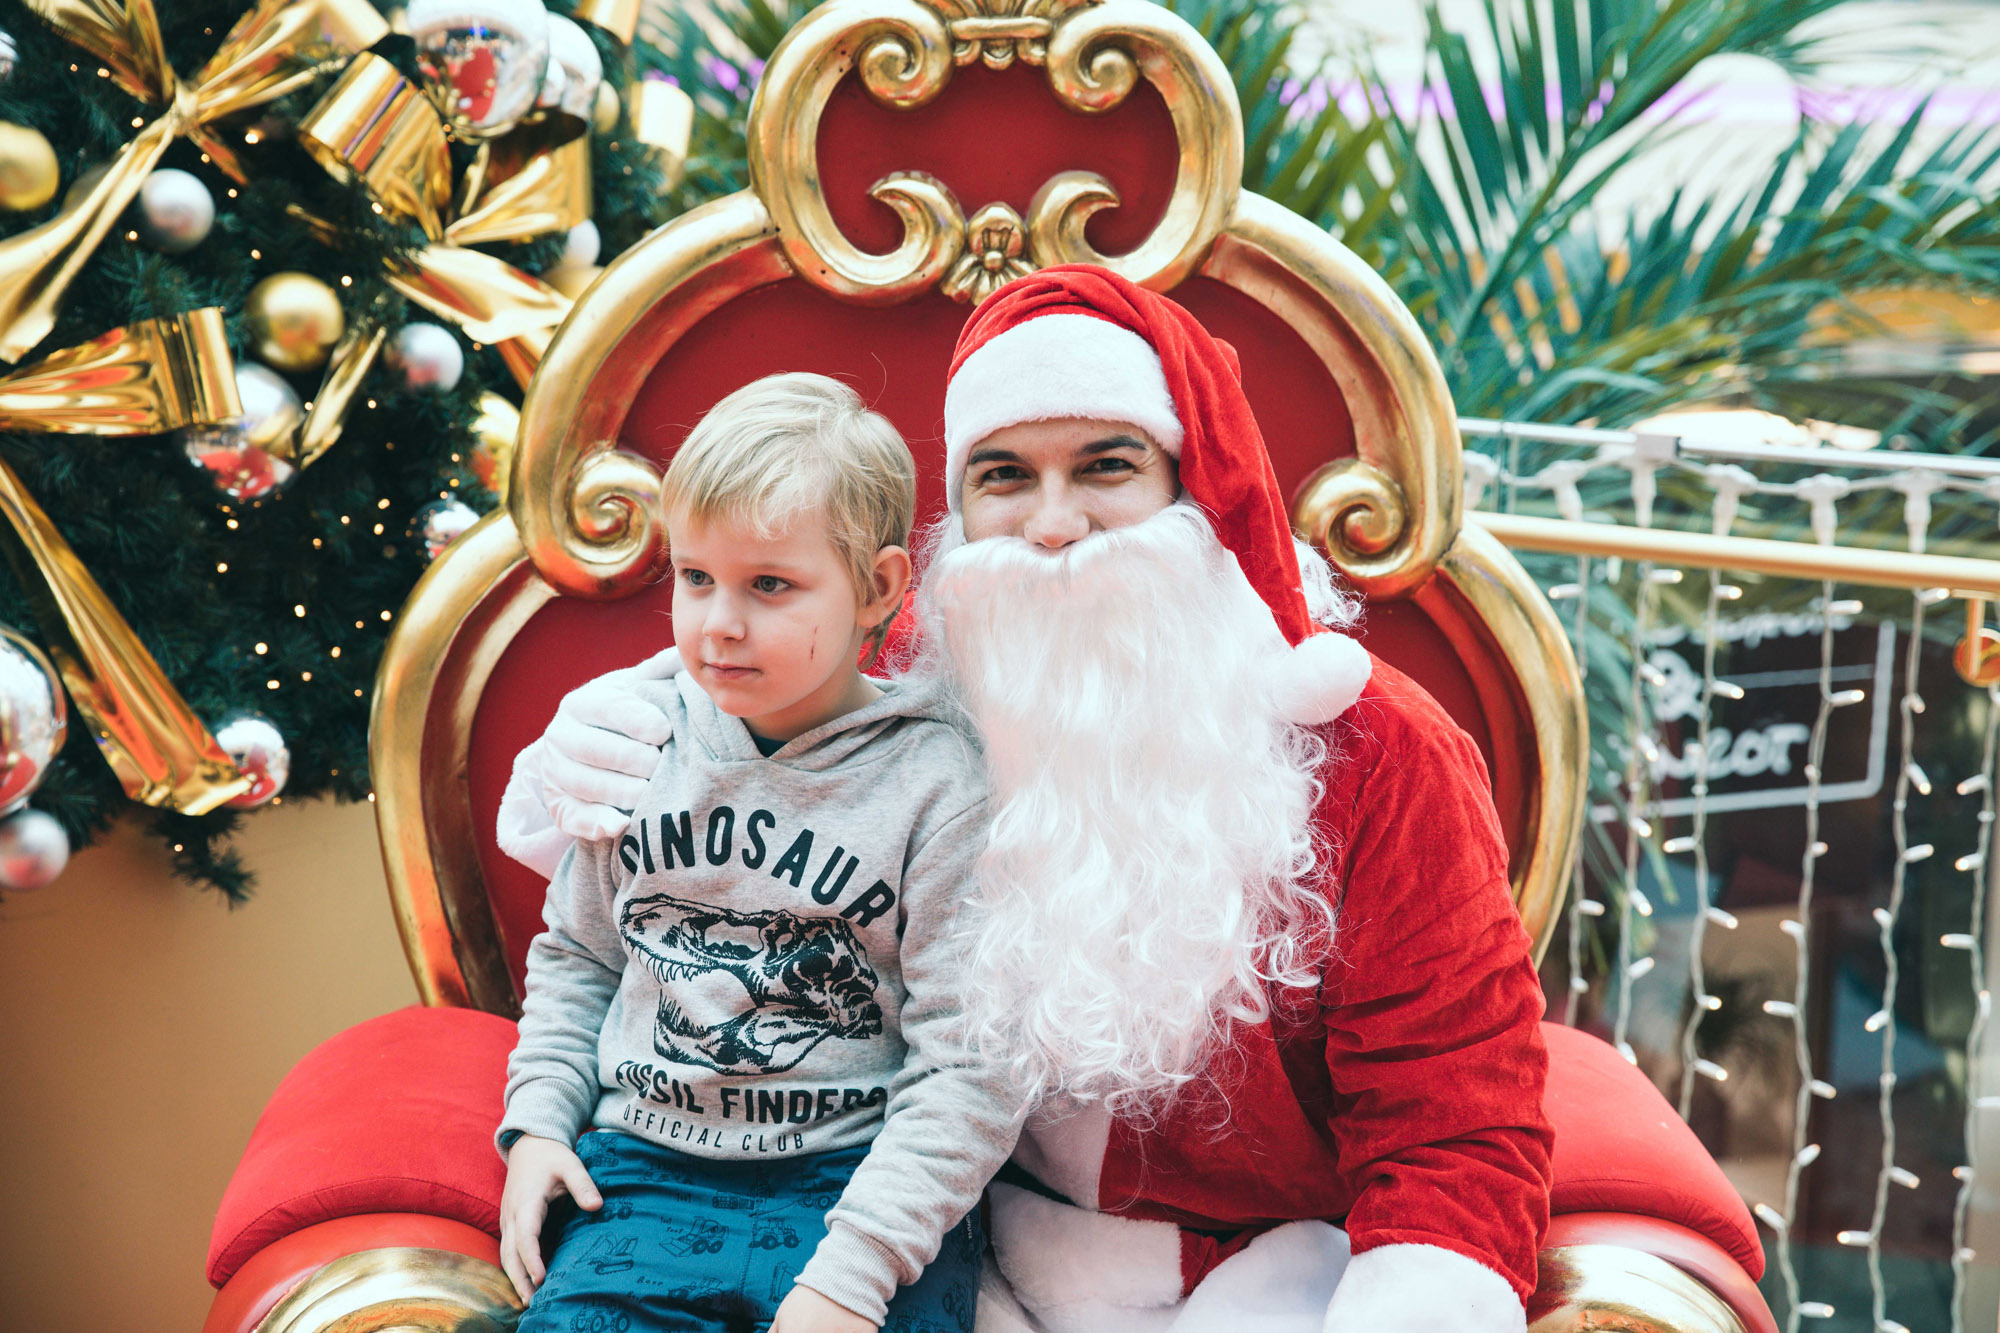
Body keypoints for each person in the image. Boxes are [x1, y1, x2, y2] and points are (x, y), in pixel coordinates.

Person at [500, 267, 1553, 1333]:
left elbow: (1454, 1127)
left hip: (1260, 1275)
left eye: (1106, 465)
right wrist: (593, 738)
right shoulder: (933, 667)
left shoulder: (1377, 752)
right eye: (1004, 475)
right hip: (949, 1237)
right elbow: (722, 721)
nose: (1053, 525)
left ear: (1192, 489)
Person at [496, 373, 1025, 1333]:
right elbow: (579, 955)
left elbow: (970, 1063)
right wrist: (537, 1122)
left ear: (878, 588)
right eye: (695, 577)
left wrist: (853, 1276)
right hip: (644, 1175)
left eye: (769, 585)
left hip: (861, 1183)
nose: (719, 623)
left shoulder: (943, 783)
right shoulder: (635, 740)